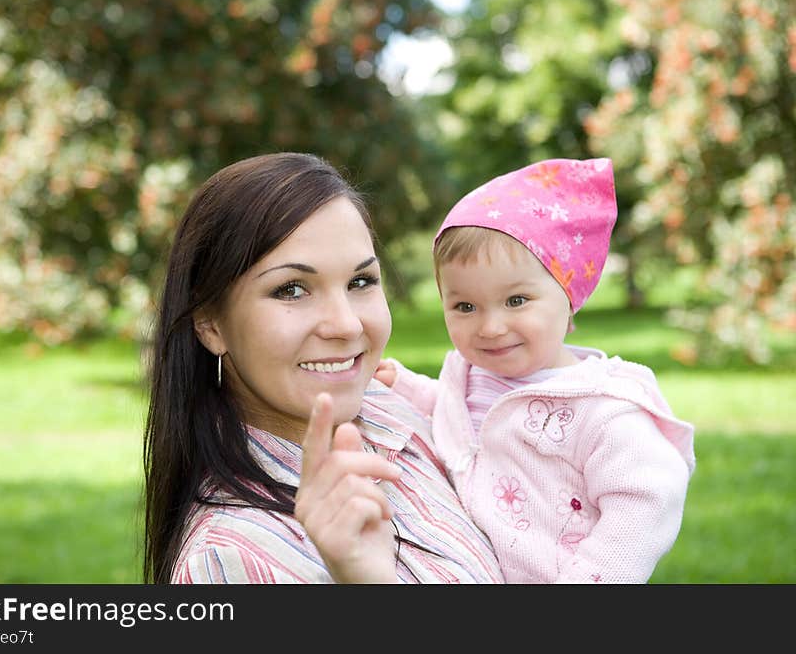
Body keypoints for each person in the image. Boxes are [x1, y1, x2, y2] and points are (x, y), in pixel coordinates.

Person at [142, 151, 505, 584]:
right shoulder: (231, 560)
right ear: (210, 323)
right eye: (292, 289)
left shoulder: (399, 415)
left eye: (360, 282)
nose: (346, 324)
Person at [374, 158, 696, 583]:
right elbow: (454, 412)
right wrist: (405, 386)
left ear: (568, 297)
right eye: (464, 306)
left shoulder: (601, 408)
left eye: (516, 301)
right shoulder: (468, 374)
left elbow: (646, 497)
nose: (490, 327)